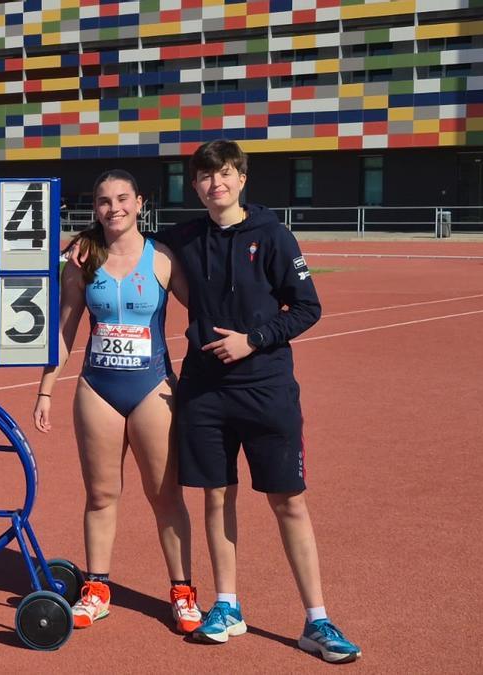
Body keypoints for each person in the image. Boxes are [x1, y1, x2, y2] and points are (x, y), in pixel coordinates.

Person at [160, 139, 361, 663]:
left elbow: (307, 308)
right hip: (204, 392)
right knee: (216, 496)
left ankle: (317, 620)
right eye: (205, 177)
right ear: (196, 185)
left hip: (267, 389)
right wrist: (85, 240)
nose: (214, 184)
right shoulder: (184, 237)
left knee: (288, 501)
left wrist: (253, 339)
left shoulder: (273, 236)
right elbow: (131, 240)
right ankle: (227, 605)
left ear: (241, 178)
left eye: (224, 174)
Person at [33, 169, 201, 634]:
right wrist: (46, 388)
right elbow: (65, 328)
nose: (114, 208)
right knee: (101, 495)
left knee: (165, 494)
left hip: (153, 387)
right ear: (96, 209)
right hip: (98, 390)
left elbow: (204, 314)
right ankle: (97, 588)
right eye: (104, 201)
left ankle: (183, 592)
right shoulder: (83, 257)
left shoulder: (163, 258)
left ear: (140, 202)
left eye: (123, 199)